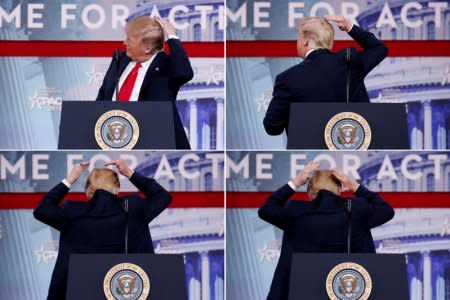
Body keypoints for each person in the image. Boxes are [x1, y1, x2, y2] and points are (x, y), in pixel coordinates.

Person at [33, 159, 171, 300]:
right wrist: (129, 173)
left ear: (87, 191)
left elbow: (42, 210)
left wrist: (70, 179)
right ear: (117, 189)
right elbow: (163, 196)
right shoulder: (134, 208)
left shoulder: (72, 212)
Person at [258, 161, 394, 300]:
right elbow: (387, 211)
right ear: (339, 189)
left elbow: (266, 209)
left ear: (310, 193)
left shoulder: (295, 212)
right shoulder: (357, 210)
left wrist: (297, 181)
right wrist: (353, 186)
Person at [263, 15, 388, 136]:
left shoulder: (287, 79)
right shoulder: (350, 62)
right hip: (356, 145)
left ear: (305, 40)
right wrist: (348, 26)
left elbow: (272, 127)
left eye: (298, 37)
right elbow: (379, 48)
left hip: (314, 147)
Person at [96, 16, 194, 149]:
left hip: (152, 140)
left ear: (147, 48)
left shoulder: (166, 66)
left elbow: (185, 73)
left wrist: (172, 36)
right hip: (113, 136)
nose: (124, 42)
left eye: (129, 39)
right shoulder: (120, 59)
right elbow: (103, 96)